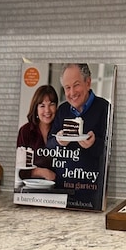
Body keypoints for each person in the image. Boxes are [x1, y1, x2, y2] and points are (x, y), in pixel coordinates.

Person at [48, 64, 111, 209]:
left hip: (91, 190)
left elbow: (110, 149)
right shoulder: (62, 110)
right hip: (61, 189)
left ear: (88, 82)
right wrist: (58, 141)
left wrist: (94, 144)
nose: (71, 92)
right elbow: (48, 144)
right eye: (67, 87)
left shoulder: (104, 108)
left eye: (76, 85)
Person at [16, 84, 58, 180]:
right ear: (36, 109)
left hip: (58, 189)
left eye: (51, 104)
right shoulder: (25, 131)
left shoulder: (62, 132)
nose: (47, 110)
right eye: (42, 106)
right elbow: (19, 170)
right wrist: (42, 172)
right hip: (31, 189)